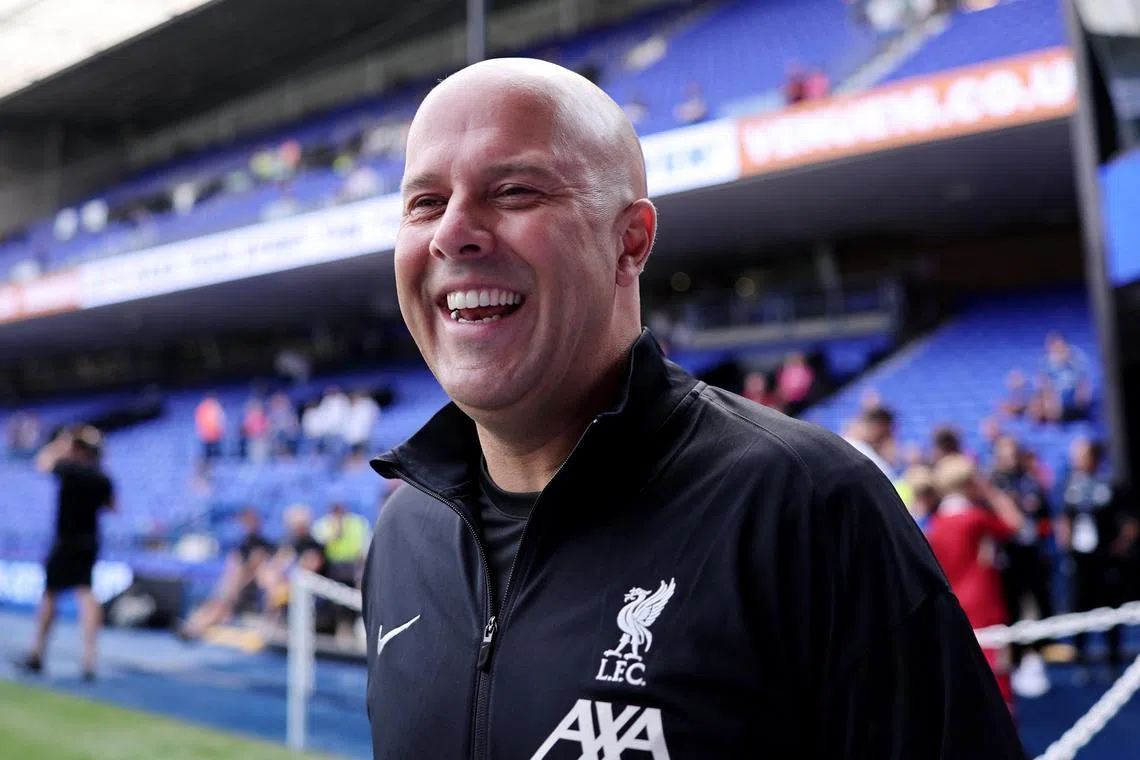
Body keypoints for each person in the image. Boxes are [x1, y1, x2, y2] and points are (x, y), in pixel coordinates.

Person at [361, 57, 1024, 759]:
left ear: (631, 242)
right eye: (425, 202)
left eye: (515, 190)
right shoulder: (405, 534)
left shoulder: (804, 508)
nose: (452, 232)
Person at [925, 454, 1026, 717]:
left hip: (956, 600)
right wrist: (992, 493)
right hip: (984, 601)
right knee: (998, 675)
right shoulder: (974, 518)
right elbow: (1016, 524)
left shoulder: (936, 523)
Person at [19, 426, 115, 681]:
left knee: (50, 594)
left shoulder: (70, 470)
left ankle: (37, 653)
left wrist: (62, 442)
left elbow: (41, 462)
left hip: (66, 541)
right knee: (86, 593)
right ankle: (89, 658)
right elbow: (113, 506)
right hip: (90, 541)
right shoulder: (101, 477)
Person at [1056, 438, 1138, 683]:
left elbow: (1130, 520)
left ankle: (1114, 659)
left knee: (1111, 609)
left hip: (1107, 559)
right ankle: (1081, 660)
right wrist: (1066, 545)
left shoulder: (1110, 485)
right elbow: (1064, 518)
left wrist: (1119, 548)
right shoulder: (1070, 485)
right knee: (1080, 607)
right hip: (1081, 559)